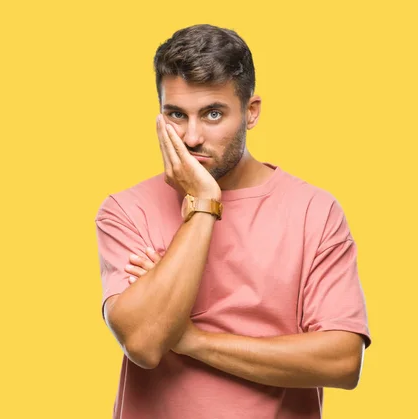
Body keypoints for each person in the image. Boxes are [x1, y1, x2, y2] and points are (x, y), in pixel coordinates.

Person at [94, 24, 371, 419]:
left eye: (212, 114)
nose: (191, 137)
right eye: (175, 114)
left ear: (251, 112)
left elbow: (343, 362)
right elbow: (144, 343)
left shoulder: (314, 210)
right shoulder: (125, 210)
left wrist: (191, 340)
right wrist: (204, 203)